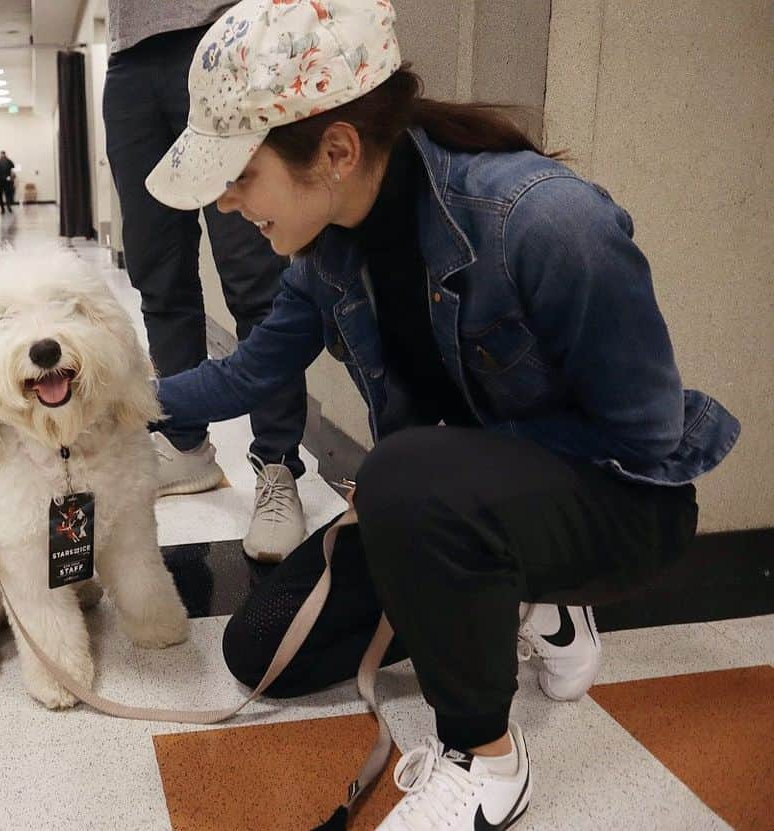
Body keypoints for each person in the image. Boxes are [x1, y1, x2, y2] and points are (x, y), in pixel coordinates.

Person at [144, 1, 740, 828]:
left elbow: (643, 440)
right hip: (442, 496)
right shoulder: (327, 250)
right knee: (262, 650)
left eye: (240, 176)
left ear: (337, 150)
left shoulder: (544, 220)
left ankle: (487, 761)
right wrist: (119, 402)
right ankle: (518, 592)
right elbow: (250, 370)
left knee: (408, 475)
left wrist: (440, 470)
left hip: (625, 502)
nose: (226, 204)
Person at [104, 0, 309, 563]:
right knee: (158, 273)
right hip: (128, 56)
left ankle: (277, 467)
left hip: (223, 32)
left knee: (254, 277)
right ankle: (186, 442)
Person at [0, 149, 15, 213]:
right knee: (5, 195)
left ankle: (5, 208)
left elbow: (13, 168)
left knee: (4, 195)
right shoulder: (1, 161)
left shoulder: (6, 161)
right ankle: (5, 208)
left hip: (4, 181)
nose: (2, 156)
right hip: (3, 181)